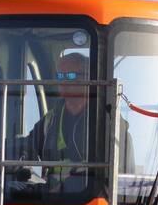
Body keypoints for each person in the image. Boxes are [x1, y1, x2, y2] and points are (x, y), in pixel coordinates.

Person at [11, 52, 133, 194]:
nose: (63, 82)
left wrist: (61, 190)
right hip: (53, 202)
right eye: (60, 77)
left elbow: (101, 175)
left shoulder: (108, 123)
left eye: (70, 76)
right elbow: (29, 145)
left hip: (87, 202)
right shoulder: (52, 118)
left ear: (88, 78)